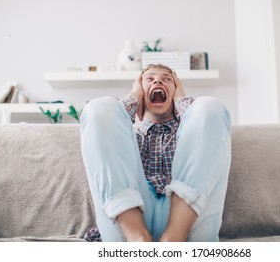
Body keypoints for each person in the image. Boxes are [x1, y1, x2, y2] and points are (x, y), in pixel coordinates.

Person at [80, 64, 231, 242]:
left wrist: (181, 100)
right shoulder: (125, 139)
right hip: (128, 223)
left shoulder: (195, 137)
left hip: (187, 222)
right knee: (99, 106)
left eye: (167, 79)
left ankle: (174, 238)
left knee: (210, 105)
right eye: (149, 79)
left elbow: (204, 117)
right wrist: (134, 97)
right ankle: (139, 239)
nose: (158, 80)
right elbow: (108, 120)